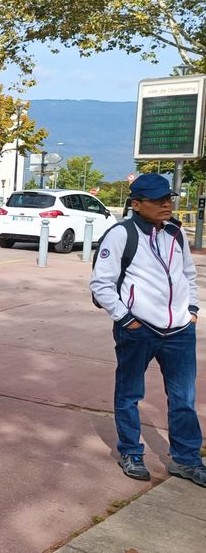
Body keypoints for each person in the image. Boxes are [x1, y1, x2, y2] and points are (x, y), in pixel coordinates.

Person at [90, 173, 204, 486]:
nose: (166, 204)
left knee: (183, 398)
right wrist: (127, 319)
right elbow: (101, 283)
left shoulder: (176, 232)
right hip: (139, 330)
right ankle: (131, 452)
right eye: (157, 200)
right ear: (137, 204)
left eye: (168, 198)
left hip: (179, 331)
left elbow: (188, 276)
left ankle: (186, 460)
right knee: (129, 394)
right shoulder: (121, 235)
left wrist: (191, 310)